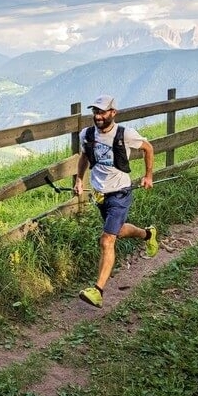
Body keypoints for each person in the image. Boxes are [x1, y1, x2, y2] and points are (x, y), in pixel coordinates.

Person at [73, 94, 157, 308]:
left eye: (102, 112)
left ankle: (97, 290)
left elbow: (148, 148)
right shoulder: (87, 134)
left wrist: (148, 176)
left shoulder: (125, 134)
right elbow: (84, 157)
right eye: (95, 112)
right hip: (100, 194)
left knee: (107, 240)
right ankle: (148, 234)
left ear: (113, 113)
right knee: (117, 232)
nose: (98, 116)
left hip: (120, 193)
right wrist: (79, 180)